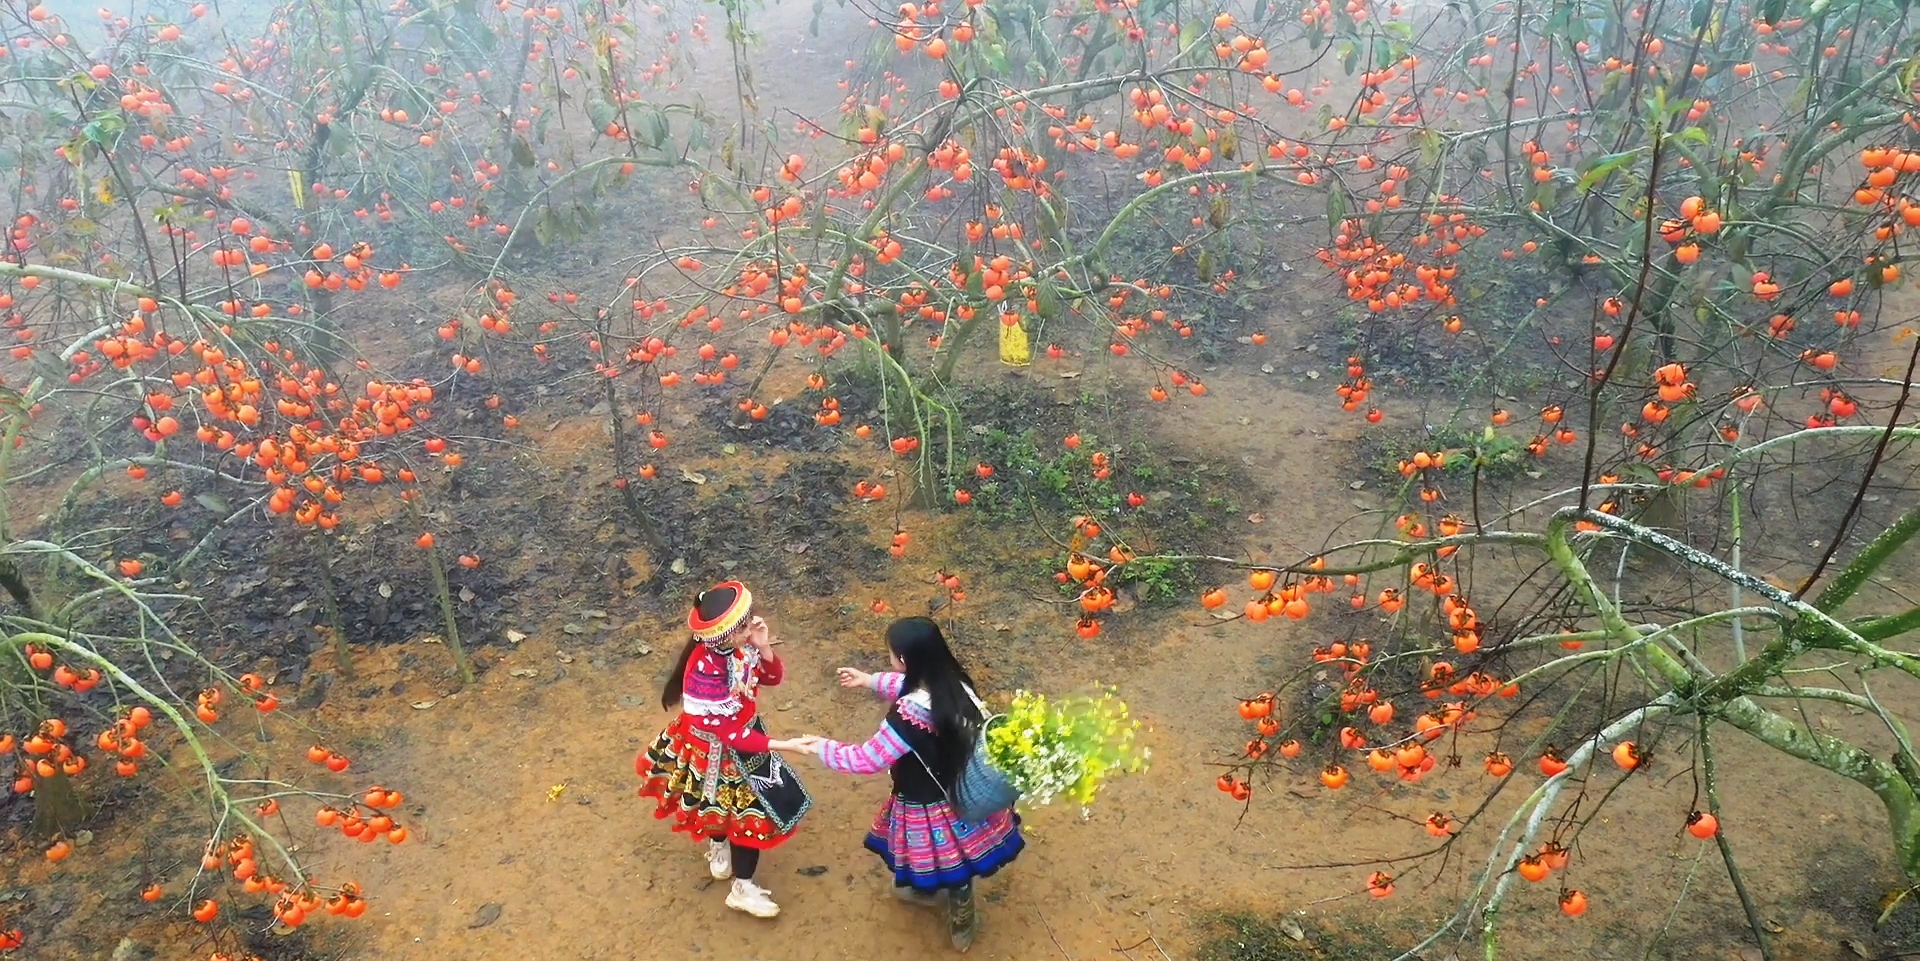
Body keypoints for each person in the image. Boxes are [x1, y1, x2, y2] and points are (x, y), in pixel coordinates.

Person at [784, 617, 1023, 951]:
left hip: (926, 803)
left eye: (892, 656)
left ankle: (953, 903)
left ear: (906, 661)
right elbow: (910, 686)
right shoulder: (955, 683)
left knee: (943, 856)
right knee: (960, 853)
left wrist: (821, 747)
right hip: (961, 789)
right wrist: (869, 681)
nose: (891, 662)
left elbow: (866, 759)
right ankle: (959, 908)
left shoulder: (908, 719)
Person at [636, 581, 812, 918]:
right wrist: (784, 745)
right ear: (723, 635)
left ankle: (720, 851)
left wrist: (764, 647)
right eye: (744, 626)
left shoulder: (740, 650)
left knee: (714, 803)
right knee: (749, 819)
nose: (751, 627)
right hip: (719, 748)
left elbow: (770, 677)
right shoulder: (704, 672)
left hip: (738, 740)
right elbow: (730, 732)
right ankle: (741, 886)